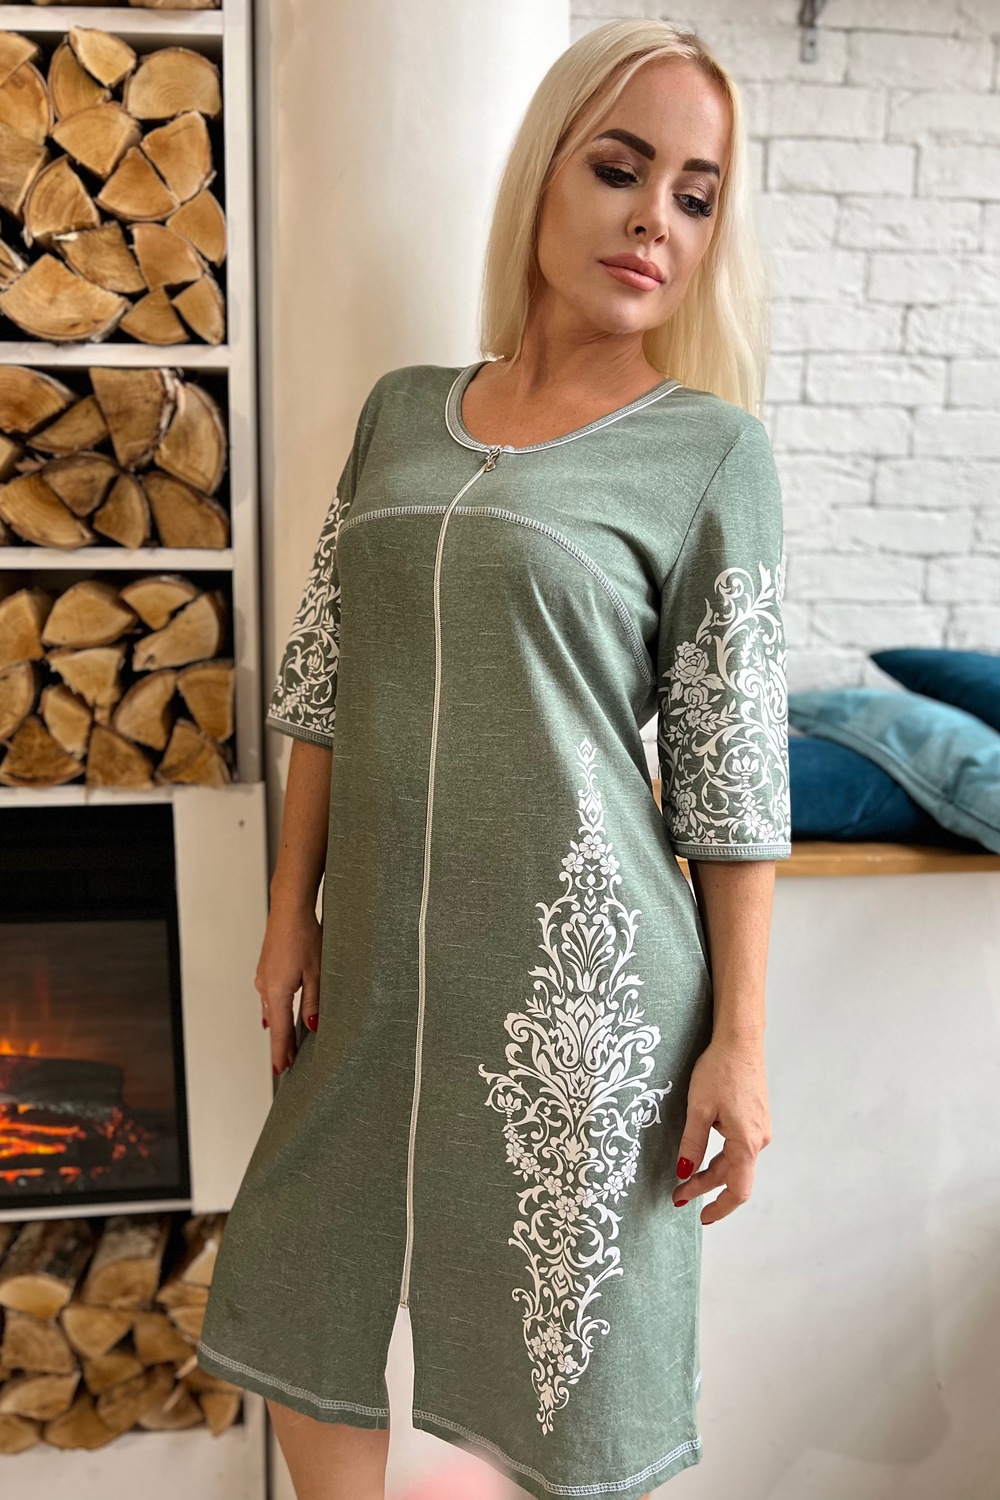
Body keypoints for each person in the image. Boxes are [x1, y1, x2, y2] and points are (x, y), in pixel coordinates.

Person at [195, 18, 791, 1500]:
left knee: (569, 1371)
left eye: (697, 196)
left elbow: (731, 772)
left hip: (578, 995)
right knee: (301, 1286)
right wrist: (288, 914)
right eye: (621, 170)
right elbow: (326, 677)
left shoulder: (710, 454)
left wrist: (742, 1039)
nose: (656, 221)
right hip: (377, 972)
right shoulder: (403, 412)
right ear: (545, 175)